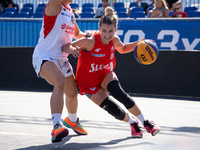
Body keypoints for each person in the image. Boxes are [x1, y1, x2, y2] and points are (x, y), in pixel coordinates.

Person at [63, 7, 161, 138]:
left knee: (120, 94)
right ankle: (133, 122)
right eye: (104, 31)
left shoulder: (115, 40)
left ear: (115, 29)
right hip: (87, 83)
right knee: (115, 111)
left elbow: (124, 48)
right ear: (99, 29)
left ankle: (146, 122)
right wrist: (72, 50)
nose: (107, 34)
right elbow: (65, 46)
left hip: (105, 74)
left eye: (111, 31)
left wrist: (140, 43)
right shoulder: (90, 41)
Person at [32, 0, 91, 143]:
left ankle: (71, 120)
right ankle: (56, 127)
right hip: (44, 56)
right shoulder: (54, 6)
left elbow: (77, 34)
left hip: (61, 59)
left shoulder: (70, 13)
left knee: (72, 93)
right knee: (60, 82)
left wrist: (90, 36)